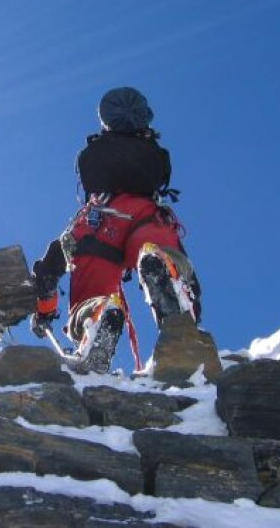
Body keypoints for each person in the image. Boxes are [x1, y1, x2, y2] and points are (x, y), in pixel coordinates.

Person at [30, 86, 202, 374]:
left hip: (99, 222)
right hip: (146, 216)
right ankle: (169, 280)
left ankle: (96, 315)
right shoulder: (155, 156)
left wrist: (44, 311)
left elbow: (49, 267)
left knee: (91, 295)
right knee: (161, 254)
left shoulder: (92, 156)